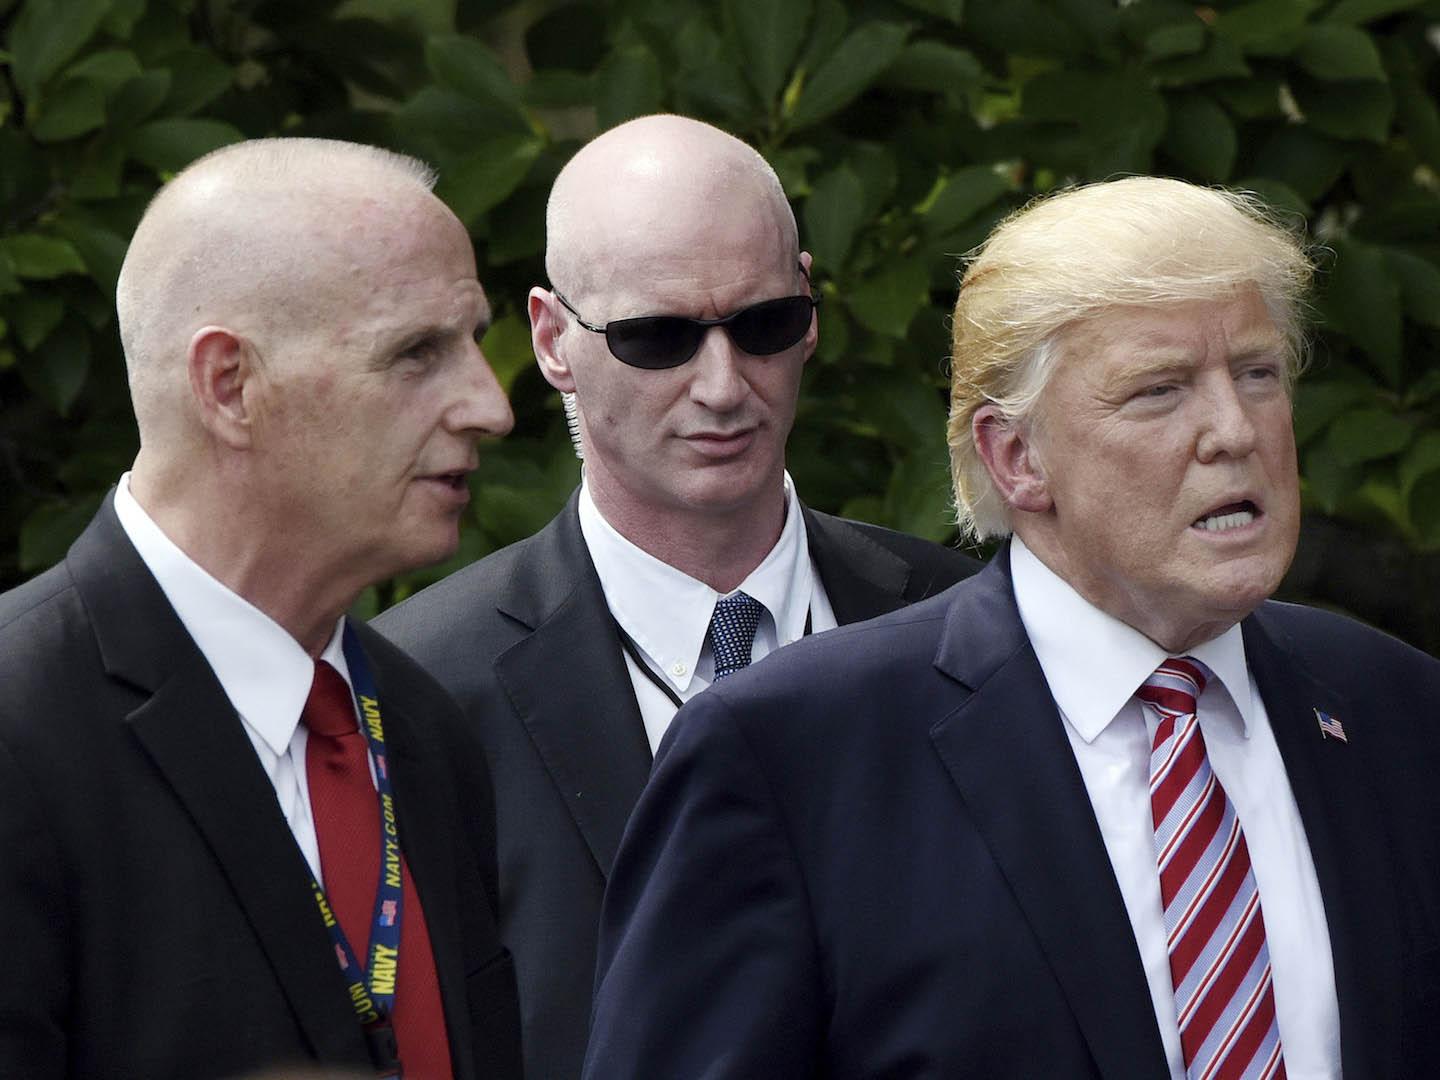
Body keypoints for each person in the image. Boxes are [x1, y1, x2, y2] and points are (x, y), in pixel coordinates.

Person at [583, 176, 1440, 1079]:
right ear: (1017, 458)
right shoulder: (792, 753)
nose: (1234, 430)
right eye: (1159, 391)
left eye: (1258, 375)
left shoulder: (1396, 710)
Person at [374, 113, 979, 1079]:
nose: (723, 385)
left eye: (763, 325)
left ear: (811, 311)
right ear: (552, 340)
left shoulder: (973, 630)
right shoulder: (415, 692)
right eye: (658, 338)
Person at [0, 138, 523, 1079]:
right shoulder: (20, 727)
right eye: (416, 353)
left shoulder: (425, 727)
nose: (490, 405)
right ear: (231, 387)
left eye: (474, 342)